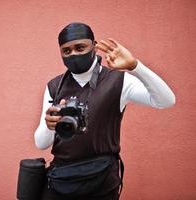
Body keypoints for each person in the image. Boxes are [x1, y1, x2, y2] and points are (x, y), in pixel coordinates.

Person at [34, 22, 175, 200]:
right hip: (62, 181)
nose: (74, 54)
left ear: (94, 47)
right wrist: (49, 125)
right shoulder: (54, 86)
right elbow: (41, 143)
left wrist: (135, 66)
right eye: (67, 51)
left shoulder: (118, 80)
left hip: (102, 182)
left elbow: (166, 101)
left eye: (80, 47)